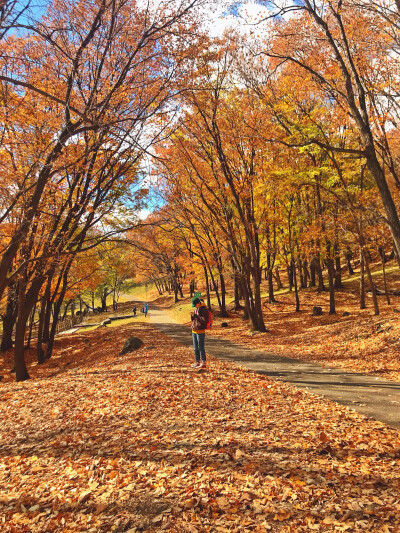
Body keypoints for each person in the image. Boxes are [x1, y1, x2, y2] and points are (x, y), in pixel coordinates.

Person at [190, 297, 208, 369]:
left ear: (198, 303)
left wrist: (195, 315)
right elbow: (195, 319)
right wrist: (192, 316)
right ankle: (197, 362)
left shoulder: (204, 309)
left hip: (200, 330)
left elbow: (204, 320)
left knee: (200, 347)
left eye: (195, 305)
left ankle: (203, 362)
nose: (195, 306)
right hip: (194, 329)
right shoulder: (196, 309)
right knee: (195, 348)